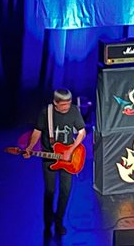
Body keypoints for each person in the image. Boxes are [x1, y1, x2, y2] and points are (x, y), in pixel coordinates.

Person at [23, 89, 87, 236]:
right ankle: (47, 222)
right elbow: (37, 132)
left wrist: (70, 150)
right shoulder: (47, 113)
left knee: (66, 190)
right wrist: (29, 148)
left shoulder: (74, 111)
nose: (66, 107)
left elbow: (82, 132)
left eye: (68, 104)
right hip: (50, 157)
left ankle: (59, 220)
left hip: (68, 158)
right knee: (50, 191)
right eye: (63, 105)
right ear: (55, 103)